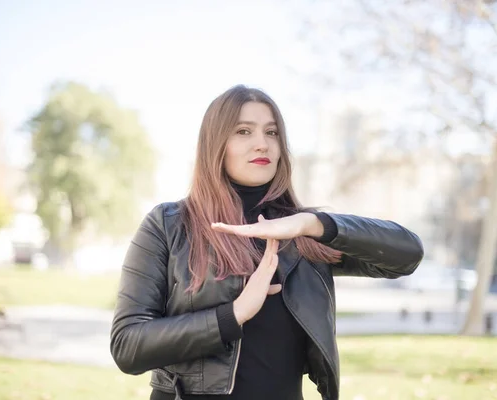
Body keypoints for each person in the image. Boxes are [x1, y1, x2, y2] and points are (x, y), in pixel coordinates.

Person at [110, 85, 424, 400]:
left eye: (272, 133)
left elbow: (407, 255)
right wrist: (233, 315)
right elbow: (127, 344)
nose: (262, 144)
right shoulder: (169, 224)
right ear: (216, 144)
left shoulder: (302, 232)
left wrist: (313, 223)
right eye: (244, 131)